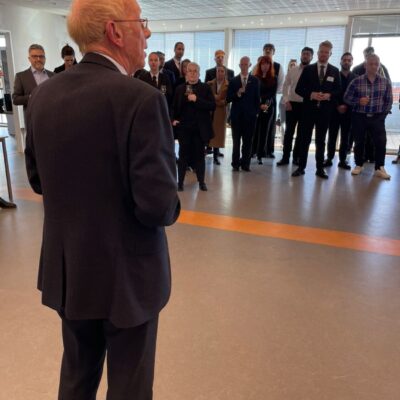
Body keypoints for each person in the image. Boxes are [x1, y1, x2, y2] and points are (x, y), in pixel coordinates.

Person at [24, 0, 180, 399]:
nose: (147, 32)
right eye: (141, 22)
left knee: (76, 377)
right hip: (129, 278)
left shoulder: (43, 96)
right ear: (115, 31)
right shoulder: (142, 99)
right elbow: (158, 206)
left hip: (71, 271)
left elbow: (38, 181)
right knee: (130, 387)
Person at [293, 40, 341, 179]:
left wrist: (329, 95)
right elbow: (298, 89)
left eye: (327, 52)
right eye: (321, 52)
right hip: (308, 110)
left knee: (321, 141)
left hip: (325, 112)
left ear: (330, 54)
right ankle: (301, 167)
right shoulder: (308, 69)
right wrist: (311, 94)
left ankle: (320, 169)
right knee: (304, 139)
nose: (323, 54)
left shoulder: (334, 71)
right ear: (318, 53)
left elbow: (339, 91)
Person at [344, 53, 393, 179]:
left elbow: (389, 101)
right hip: (359, 117)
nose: (374, 66)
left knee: (381, 142)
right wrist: (358, 101)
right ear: (365, 65)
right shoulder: (356, 81)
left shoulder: (385, 82)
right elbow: (347, 98)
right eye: (371, 64)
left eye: (376, 64)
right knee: (359, 141)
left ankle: (379, 167)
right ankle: (359, 164)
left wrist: (383, 115)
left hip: (377, 117)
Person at [172, 62, 216, 191]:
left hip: (199, 129)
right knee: (182, 156)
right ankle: (180, 182)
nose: (192, 73)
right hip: (184, 128)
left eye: (195, 71)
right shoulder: (180, 89)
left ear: (199, 73)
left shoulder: (205, 88)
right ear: (186, 73)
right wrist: (173, 119)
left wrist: (197, 100)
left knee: (200, 156)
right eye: (190, 71)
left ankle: (201, 181)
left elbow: (212, 106)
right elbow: (174, 107)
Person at [277, 47, 314, 166]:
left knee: (301, 134)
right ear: (301, 55)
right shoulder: (293, 70)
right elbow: (285, 86)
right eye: (304, 54)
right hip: (291, 105)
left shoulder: (313, 71)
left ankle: (296, 158)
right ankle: (285, 157)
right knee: (289, 133)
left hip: (305, 105)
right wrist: (286, 101)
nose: (305, 56)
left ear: (312, 57)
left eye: (308, 54)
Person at [324, 52, 356, 170]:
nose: (346, 62)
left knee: (346, 137)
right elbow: (330, 92)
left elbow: (356, 95)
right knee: (332, 136)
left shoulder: (356, 78)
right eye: (344, 60)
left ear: (352, 62)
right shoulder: (333, 75)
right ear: (340, 61)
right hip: (334, 110)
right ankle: (329, 158)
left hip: (349, 111)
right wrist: (338, 106)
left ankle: (343, 160)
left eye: (349, 60)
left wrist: (346, 105)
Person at [227, 56, 260, 172]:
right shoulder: (233, 80)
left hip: (250, 117)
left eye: (246, 64)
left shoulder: (255, 81)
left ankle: (246, 164)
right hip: (236, 117)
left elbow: (257, 99)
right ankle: (235, 164)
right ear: (239, 65)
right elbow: (228, 98)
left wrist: (256, 113)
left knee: (248, 142)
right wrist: (237, 93)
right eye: (242, 64)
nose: (244, 66)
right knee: (236, 142)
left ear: (250, 65)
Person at [12, 44, 54, 120]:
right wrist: (31, 97)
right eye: (34, 56)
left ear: (45, 58)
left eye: (41, 56)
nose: (38, 59)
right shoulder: (21, 76)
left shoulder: (53, 75)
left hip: (52, 117)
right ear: (29, 58)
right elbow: (15, 99)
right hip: (33, 119)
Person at [252, 55, 278, 165]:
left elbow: (272, 94)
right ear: (260, 65)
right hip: (256, 107)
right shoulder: (254, 77)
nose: (265, 66)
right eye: (263, 64)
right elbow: (253, 93)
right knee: (254, 130)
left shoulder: (274, 78)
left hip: (268, 107)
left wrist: (264, 104)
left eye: (267, 64)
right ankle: (251, 152)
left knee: (264, 131)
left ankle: (260, 155)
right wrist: (259, 104)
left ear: (270, 65)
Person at [262, 43, 285, 158]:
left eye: (270, 50)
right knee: (257, 126)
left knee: (270, 126)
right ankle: (255, 150)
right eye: (266, 49)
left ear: (273, 52)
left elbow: (280, 86)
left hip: (271, 99)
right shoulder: (258, 65)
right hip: (258, 100)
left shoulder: (278, 66)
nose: (268, 51)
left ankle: (268, 151)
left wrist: (269, 95)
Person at [207, 65, 229, 164]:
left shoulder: (228, 85)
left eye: (222, 71)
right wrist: (217, 99)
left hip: (220, 112)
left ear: (225, 73)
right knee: (209, 132)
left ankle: (216, 156)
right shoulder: (210, 83)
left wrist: (216, 99)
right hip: (210, 111)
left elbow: (226, 100)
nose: (220, 73)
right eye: (218, 71)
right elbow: (208, 97)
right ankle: (206, 151)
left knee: (217, 134)